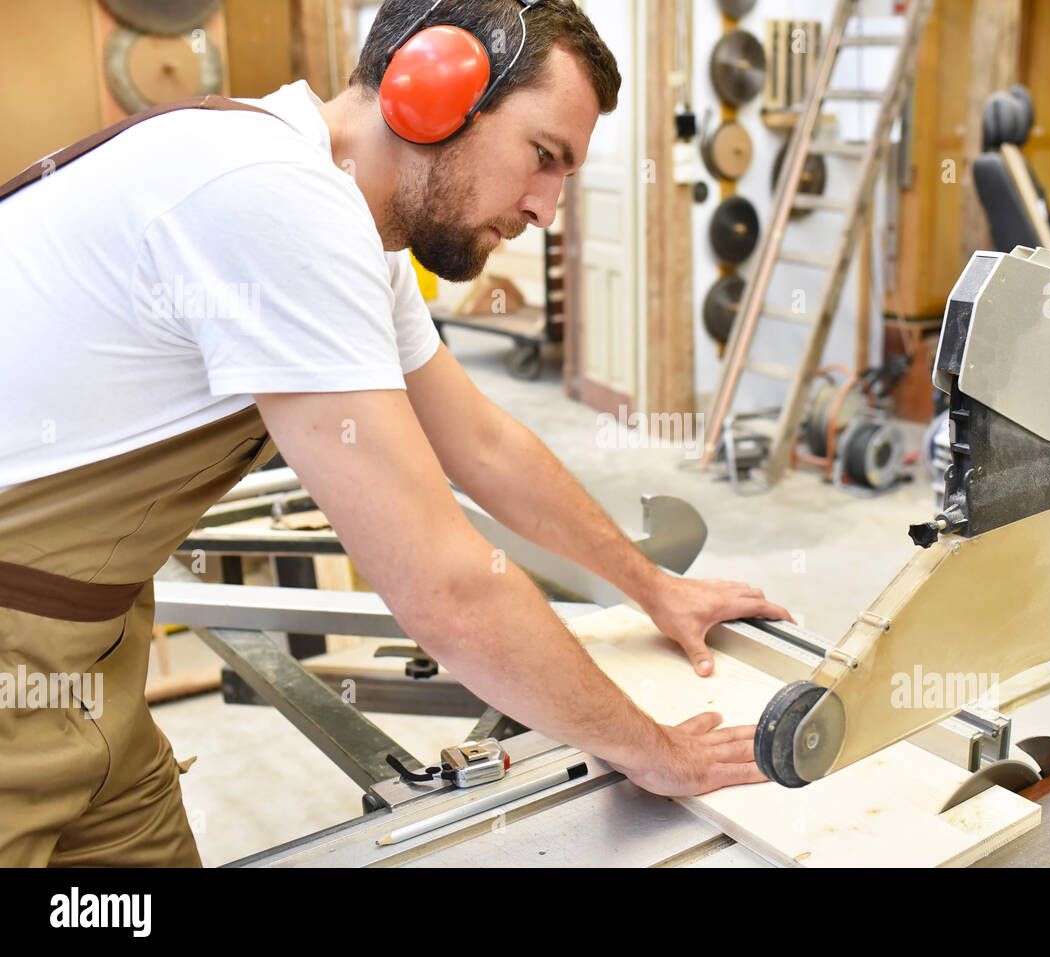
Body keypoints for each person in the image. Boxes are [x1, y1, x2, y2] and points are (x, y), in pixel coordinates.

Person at [0, 0, 792, 867]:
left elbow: (482, 443)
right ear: (430, 88)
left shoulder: (341, 216)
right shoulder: (270, 195)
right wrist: (656, 749)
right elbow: (445, 590)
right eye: (542, 157)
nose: (546, 210)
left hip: (90, 654)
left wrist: (653, 587)